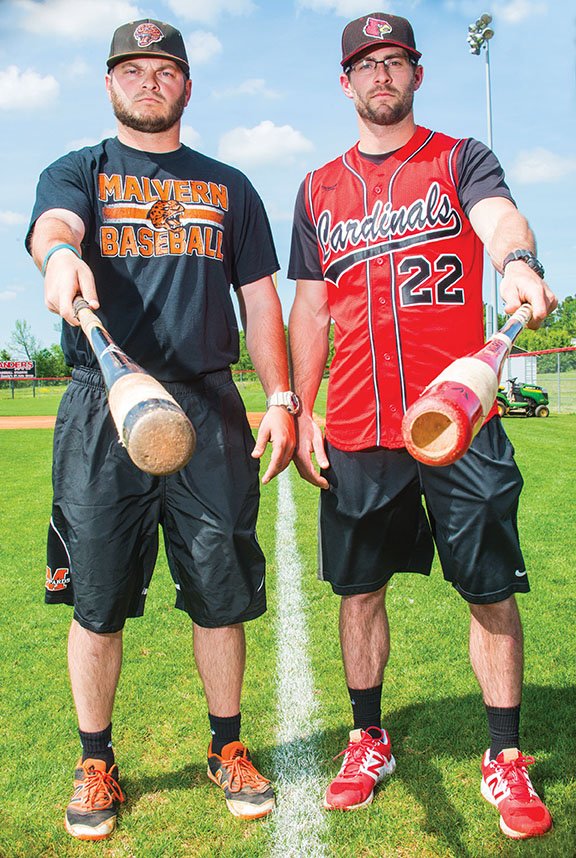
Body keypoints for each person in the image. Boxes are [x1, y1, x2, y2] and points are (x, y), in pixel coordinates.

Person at [288, 11, 557, 841]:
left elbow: (501, 218)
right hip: (361, 426)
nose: (380, 75)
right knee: (359, 591)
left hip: (457, 419)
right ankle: (368, 739)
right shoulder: (317, 189)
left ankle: (504, 756)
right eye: (364, 64)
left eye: (393, 60)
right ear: (346, 82)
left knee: (489, 592)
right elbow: (309, 308)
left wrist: (516, 261)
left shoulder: (458, 158)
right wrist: (301, 409)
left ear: (417, 72)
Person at [27, 18, 298, 840]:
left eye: (164, 69)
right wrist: (61, 257)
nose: (149, 81)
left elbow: (259, 302)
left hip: (208, 406)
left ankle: (228, 747)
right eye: (133, 69)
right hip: (102, 407)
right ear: (111, 83)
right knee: (98, 600)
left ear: (187, 85)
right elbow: (54, 228)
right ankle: (95, 760)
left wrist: (281, 397)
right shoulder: (79, 170)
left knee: (220, 596)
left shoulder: (230, 186)